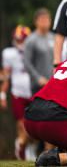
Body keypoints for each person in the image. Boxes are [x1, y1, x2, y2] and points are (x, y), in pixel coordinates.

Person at [1, 25, 36, 161]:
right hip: (18, 93)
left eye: (22, 40)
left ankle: (29, 148)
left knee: (33, 126)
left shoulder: (35, 51)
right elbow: (6, 77)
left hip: (33, 91)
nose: (19, 42)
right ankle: (23, 150)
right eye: (18, 40)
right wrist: (2, 95)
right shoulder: (9, 53)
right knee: (22, 125)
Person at [23, 8, 54, 96]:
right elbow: (26, 62)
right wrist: (38, 78)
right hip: (38, 86)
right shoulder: (31, 40)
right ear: (36, 22)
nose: (45, 21)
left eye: (47, 19)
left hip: (53, 83)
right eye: (42, 19)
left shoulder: (54, 37)